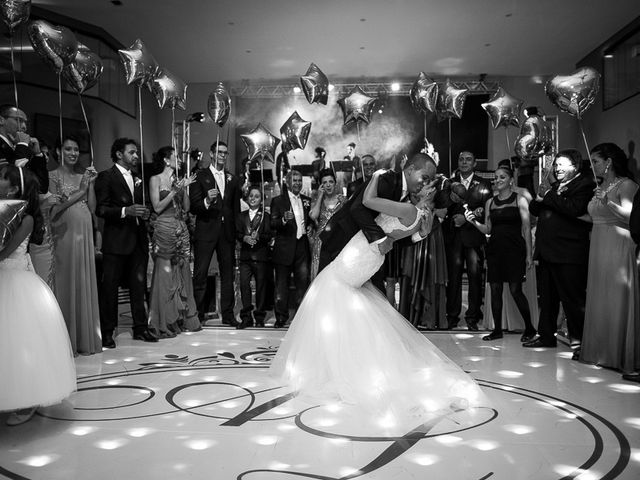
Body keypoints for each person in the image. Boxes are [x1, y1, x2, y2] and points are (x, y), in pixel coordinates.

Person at [270, 165, 487, 421]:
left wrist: (374, 176)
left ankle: (334, 368)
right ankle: (345, 362)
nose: (422, 185)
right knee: (347, 303)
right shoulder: (423, 218)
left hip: (360, 254)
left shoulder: (408, 209)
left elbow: (367, 200)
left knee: (331, 291)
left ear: (430, 194)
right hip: (371, 258)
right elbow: (408, 237)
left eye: (427, 185)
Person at [0, 165, 76, 426]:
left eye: (2, 178)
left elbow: (7, 250)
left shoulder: (26, 219)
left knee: (19, 341)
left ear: (13, 188)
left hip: (14, 279)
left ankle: (26, 399)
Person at [319, 153, 437, 278]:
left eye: (428, 181)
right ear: (411, 170)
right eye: (424, 177)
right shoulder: (386, 179)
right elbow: (357, 208)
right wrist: (381, 239)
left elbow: (393, 237)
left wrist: (421, 234)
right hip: (340, 242)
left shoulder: (407, 197)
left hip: (365, 254)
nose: (425, 184)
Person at [525, 149, 595, 351]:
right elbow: (535, 210)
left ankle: (579, 342)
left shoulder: (585, 185)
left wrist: (549, 195)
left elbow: (574, 209)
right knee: (547, 299)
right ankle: (546, 336)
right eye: (556, 165)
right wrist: (539, 197)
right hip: (547, 251)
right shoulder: (554, 186)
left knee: (572, 299)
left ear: (575, 166)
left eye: (562, 164)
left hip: (569, 252)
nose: (557, 168)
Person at [579, 143, 639, 373]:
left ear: (609, 162)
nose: (592, 166)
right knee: (601, 296)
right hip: (598, 246)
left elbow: (632, 218)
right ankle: (602, 351)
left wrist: (609, 202)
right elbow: (593, 217)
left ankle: (620, 353)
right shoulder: (601, 186)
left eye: (595, 161)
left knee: (616, 297)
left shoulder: (627, 185)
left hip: (619, 246)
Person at [95, 138, 157, 348]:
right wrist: (125, 211)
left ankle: (140, 328)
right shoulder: (106, 177)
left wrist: (145, 212)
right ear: (119, 154)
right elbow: (101, 209)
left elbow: (143, 205)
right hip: (116, 242)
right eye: (132, 152)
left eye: (137, 153)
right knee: (110, 288)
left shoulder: (138, 178)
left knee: (139, 288)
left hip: (138, 241)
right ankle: (107, 331)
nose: (136, 156)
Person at [465, 165, 535, 342]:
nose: (497, 180)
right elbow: (487, 229)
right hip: (495, 250)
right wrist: (473, 221)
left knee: (515, 290)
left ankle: (530, 328)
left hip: (515, 250)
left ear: (511, 180)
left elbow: (526, 228)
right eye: (496, 178)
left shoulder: (519, 199)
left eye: (502, 177)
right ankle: (497, 330)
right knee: (495, 290)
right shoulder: (490, 202)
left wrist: (529, 254)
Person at [49, 135, 102, 355]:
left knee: (82, 279)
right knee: (65, 278)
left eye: (76, 150)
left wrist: (89, 186)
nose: (73, 153)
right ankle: (65, 339)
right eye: (68, 149)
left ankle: (83, 337)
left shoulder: (83, 176)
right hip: (64, 233)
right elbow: (53, 211)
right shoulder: (52, 176)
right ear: (59, 151)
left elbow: (91, 207)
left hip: (84, 231)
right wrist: (79, 190)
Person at [148, 146, 200, 338]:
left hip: (181, 228)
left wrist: (183, 188)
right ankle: (163, 321)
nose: (179, 159)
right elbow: (157, 207)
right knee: (164, 275)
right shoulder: (155, 179)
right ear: (166, 160)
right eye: (176, 156)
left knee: (183, 272)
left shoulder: (178, 180)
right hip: (164, 229)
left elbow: (186, 208)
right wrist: (173, 191)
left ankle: (181, 318)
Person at [189, 140, 241, 327]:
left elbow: (235, 210)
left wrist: (236, 235)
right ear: (211, 154)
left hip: (227, 233)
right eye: (219, 152)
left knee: (228, 275)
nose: (222, 155)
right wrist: (206, 201)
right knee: (201, 273)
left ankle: (227, 315)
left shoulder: (232, 179)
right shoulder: (200, 176)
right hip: (206, 230)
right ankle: (198, 314)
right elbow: (194, 207)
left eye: (225, 153)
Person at [442, 151, 492, 330]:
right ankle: (452, 315)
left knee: (474, 277)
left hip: (473, 236)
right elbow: (442, 204)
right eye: (461, 159)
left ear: (475, 163)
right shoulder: (448, 182)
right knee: (453, 278)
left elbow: (486, 208)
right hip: (453, 236)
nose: (464, 162)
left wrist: (466, 218)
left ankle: (472, 317)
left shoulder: (484, 183)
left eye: (468, 159)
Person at [270, 169, 311, 328]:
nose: (297, 183)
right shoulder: (278, 201)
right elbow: (273, 224)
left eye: (300, 180)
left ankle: (301, 317)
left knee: (303, 283)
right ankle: (281, 318)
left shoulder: (307, 200)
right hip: (284, 247)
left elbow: (311, 222)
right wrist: (283, 220)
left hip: (302, 247)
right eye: (294, 180)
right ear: (287, 182)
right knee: (281, 285)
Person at [236, 186, 272, 329]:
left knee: (261, 287)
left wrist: (259, 237)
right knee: (244, 286)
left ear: (261, 199)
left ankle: (259, 317)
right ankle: (246, 317)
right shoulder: (241, 216)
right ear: (247, 197)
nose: (253, 198)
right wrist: (244, 237)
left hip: (260, 255)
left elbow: (269, 235)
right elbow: (237, 233)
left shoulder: (265, 216)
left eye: (257, 196)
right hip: (245, 257)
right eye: (251, 195)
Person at [0, 105, 48, 194]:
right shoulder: (21, 148)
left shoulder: (23, 149)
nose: (24, 127)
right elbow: (12, 181)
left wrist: (37, 154)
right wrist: (22, 145)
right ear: (1, 120)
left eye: (25, 123)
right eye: (19, 120)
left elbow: (41, 188)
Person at [309, 168, 346, 279]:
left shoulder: (343, 200)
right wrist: (320, 196)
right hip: (321, 245)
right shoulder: (318, 202)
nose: (328, 185)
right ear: (321, 186)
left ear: (335, 183)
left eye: (331, 182)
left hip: (339, 244)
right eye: (325, 183)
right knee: (323, 277)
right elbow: (313, 216)